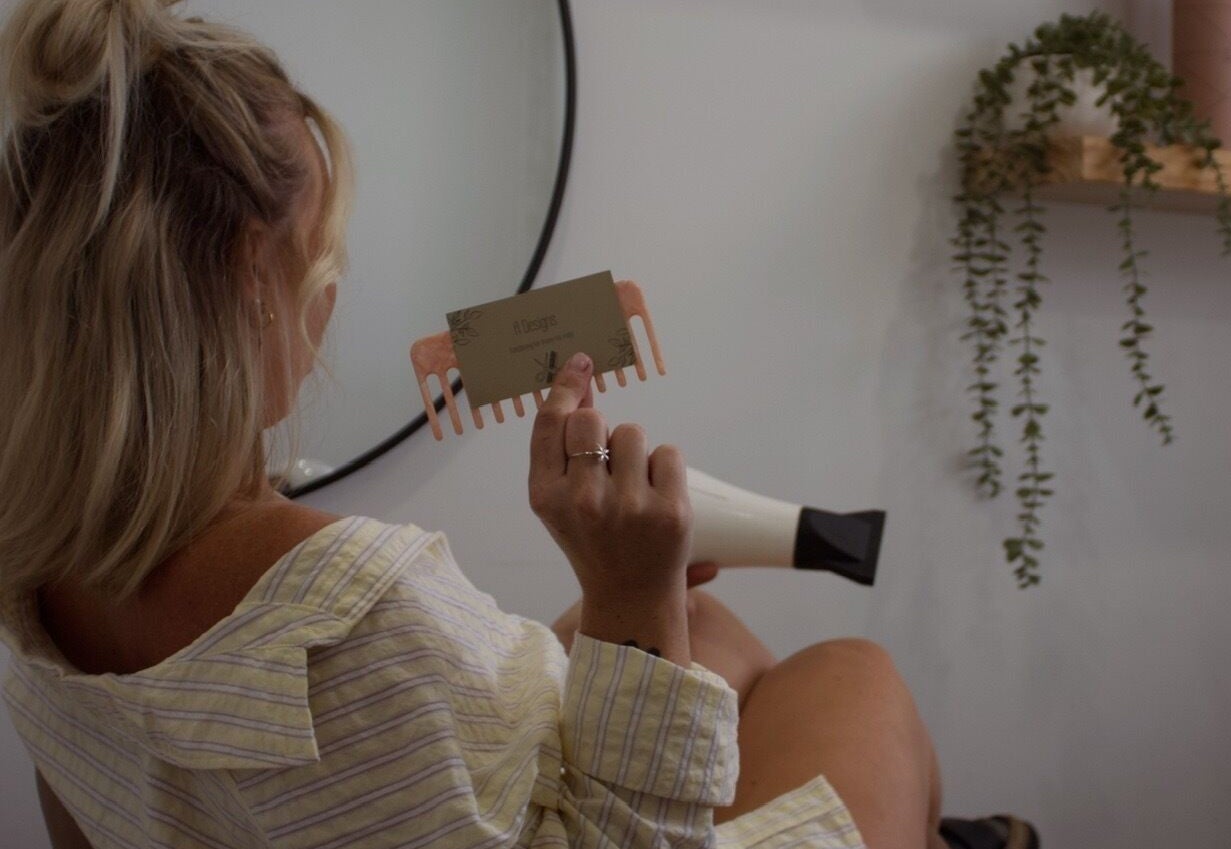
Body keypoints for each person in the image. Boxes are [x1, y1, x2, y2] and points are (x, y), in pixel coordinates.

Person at [0, 1, 969, 847]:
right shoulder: (348, 612)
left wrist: (641, 598)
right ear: (256, 284)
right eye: (321, 265)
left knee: (705, 627)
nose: (328, 308)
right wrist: (630, 604)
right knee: (855, 673)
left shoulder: (36, 568)